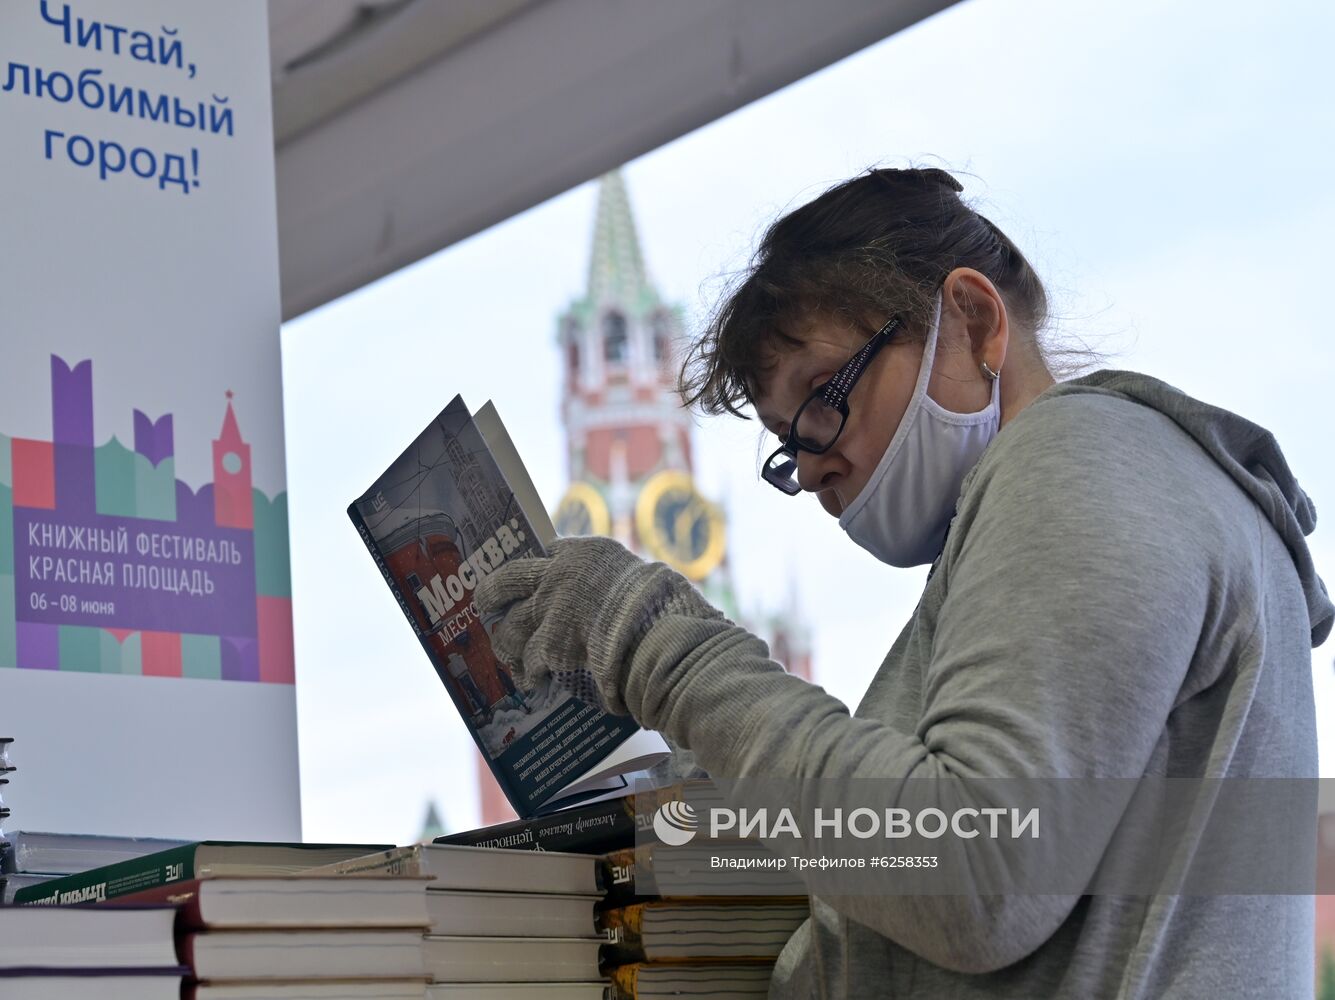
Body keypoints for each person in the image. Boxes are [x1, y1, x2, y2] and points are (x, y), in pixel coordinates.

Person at [474, 167, 1332, 998]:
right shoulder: (1085, 490)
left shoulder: (1079, 458)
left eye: (823, 398)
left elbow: (974, 877)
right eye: (788, 441)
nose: (811, 469)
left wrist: (665, 651)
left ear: (971, 318)